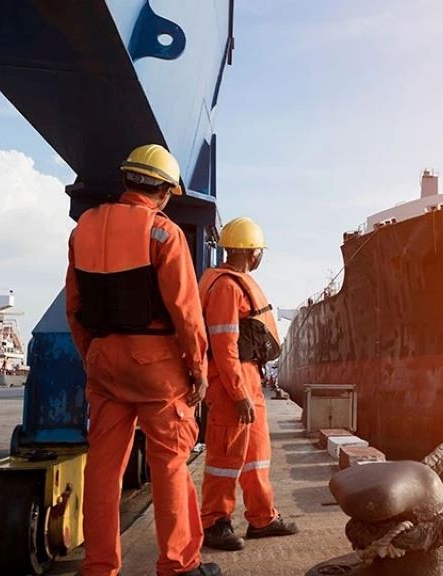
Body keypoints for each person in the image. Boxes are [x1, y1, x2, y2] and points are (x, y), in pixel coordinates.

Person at [65, 144, 222, 576]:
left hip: (103, 360)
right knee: (169, 464)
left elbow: (74, 307)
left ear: (126, 180)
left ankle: (98, 566)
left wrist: (92, 356)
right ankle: (178, 564)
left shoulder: (84, 229)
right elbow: (186, 312)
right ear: (166, 191)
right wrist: (198, 371)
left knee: (102, 468)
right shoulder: (162, 232)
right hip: (157, 367)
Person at [199, 217, 298, 551]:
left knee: (257, 455)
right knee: (225, 457)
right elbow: (224, 344)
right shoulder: (226, 287)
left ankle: (262, 518)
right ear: (252, 251)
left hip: (248, 378)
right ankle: (214, 522)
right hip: (232, 383)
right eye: (259, 251)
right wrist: (238, 392)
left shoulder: (233, 282)